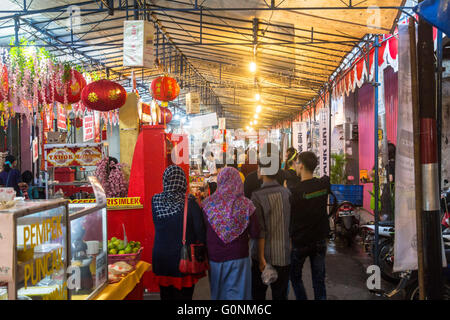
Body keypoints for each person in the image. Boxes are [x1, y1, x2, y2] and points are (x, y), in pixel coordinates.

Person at [202, 167, 259, 300]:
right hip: (239, 256)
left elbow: (203, 230)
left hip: (215, 257)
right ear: (238, 181)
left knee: (219, 294)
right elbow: (256, 232)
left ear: (219, 181)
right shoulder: (247, 205)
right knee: (240, 295)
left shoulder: (208, 204)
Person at [152, 165, 207, 300]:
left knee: (166, 296)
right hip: (183, 258)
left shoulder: (155, 200)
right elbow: (200, 232)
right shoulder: (190, 203)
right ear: (183, 181)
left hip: (161, 258)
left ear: (165, 180)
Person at [290, 151, 330, 300]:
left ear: (301, 165)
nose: (295, 165)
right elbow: (326, 178)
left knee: (295, 277)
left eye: (296, 162)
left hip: (300, 241)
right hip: (319, 239)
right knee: (319, 280)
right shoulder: (324, 184)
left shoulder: (295, 191)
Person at [251, 156, 292, 300]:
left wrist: (261, 259)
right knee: (280, 295)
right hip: (284, 255)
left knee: (258, 295)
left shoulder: (257, 196)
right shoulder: (286, 193)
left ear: (262, 171)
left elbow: (260, 231)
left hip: (263, 257)